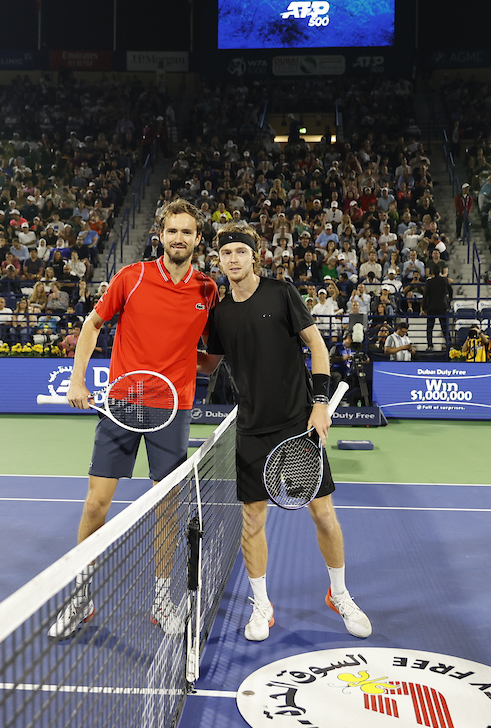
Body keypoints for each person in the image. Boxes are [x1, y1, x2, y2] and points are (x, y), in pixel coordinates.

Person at [49, 199, 218, 640]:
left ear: (198, 240)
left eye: (187, 232)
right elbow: (91, 326)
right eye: (172, 231)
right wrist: (77, 380)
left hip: (173, 409)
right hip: (123, 401)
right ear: (160, 235)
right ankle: (81, 595)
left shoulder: (207, 289)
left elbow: (212, 354)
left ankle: (162, 600)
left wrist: (196, 362)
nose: (179, 238)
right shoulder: (133, 276)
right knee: (96, 503)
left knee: (166, 506)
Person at [201, 220, 370, 642]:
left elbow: (316, 346)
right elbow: (208, 363)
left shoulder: (281, 293)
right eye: (226, 254)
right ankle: (262, 604)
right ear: (218, 261)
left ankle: (340, 593)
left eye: (240, 251)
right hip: (253, 428)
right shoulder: (220, 312)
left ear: (253, 255)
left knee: (324, 514)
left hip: (298, 423)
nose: (233, 259)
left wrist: (318, 404)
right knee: (252, 520)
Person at [422, 263, 452, 349]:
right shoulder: (444, 280)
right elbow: (450, 290)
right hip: (442, 306)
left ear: (432, 272)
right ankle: (448, 344)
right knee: (444, 327)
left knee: (430, 327)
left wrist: (424, 308)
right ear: (440, 271)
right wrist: (449, 300)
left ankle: (430, 345)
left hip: (431, 307)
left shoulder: (429, 282)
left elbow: (425, 295)